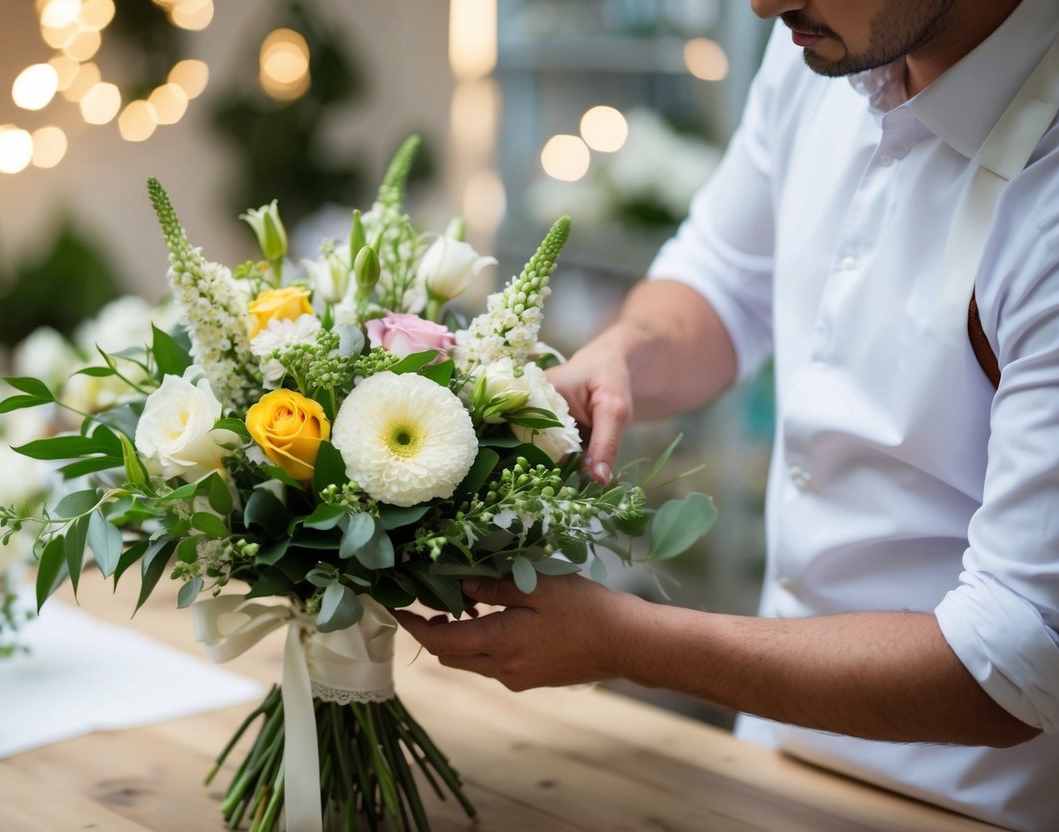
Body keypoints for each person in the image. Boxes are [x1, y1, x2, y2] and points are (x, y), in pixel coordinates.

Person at [396, 1, 1059, 829]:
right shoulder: (819, 51)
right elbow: (720, 277)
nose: (757, 3)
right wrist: (624, 355)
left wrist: (630, 643)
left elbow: (1015, 656)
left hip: (978, 807)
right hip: (766, 764)